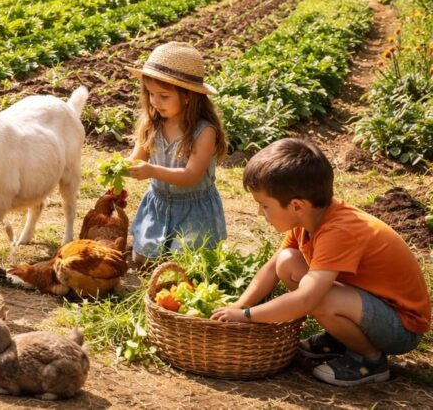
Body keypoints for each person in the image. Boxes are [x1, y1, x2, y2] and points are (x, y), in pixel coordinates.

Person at [211, 139, 431, 387]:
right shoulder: (308, 220)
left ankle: (370, 360)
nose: (260, 213)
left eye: (264, 205)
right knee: (287, 261)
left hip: (400, 327)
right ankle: (341, 338)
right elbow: (273, 267)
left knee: (319, 296)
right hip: (372, 306)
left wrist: (248, 316)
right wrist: (240, 304)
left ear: (296, 205)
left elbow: (306, 299)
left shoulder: (339, 230)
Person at [125, 42, 228, 267]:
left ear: (188, 96)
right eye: (151, 94)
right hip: (159, 203)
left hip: (193, 209)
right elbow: (136, 160)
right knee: (142, 260)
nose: (155, 102)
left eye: (163, 96)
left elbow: (191, 175)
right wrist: (120, 169)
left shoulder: (204, 131)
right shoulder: (151, 124)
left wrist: (151, 170)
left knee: (187, 264)